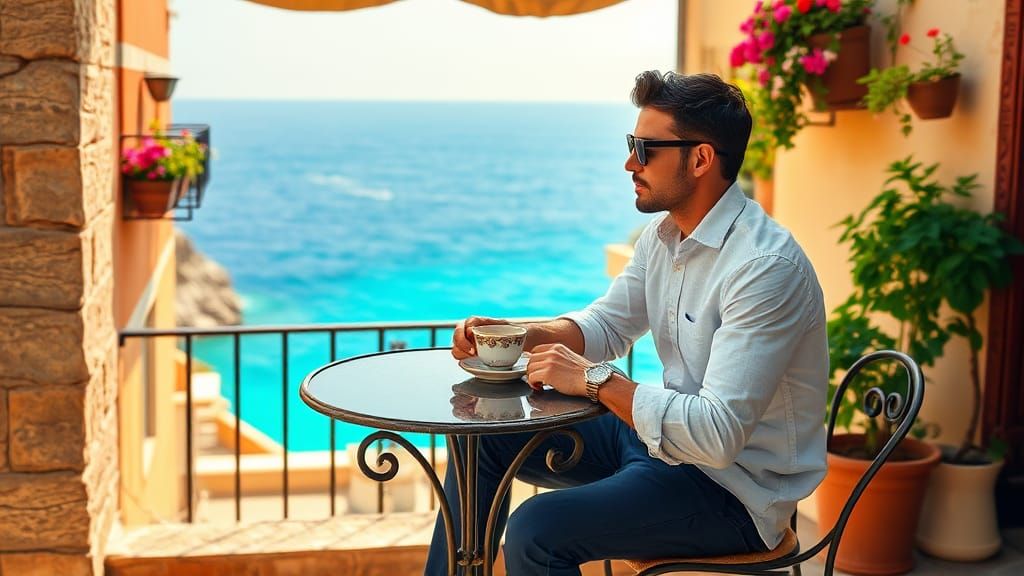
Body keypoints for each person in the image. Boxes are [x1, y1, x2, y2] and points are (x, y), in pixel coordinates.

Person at [425, 70, 828, 576]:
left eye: (645, 148)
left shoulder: (764, 268)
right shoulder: (664, 239)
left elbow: (718, 435)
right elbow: (605, 326)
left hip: (736, 492)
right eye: (630, 144)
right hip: (659, 447)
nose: (629, 163)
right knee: (480, 435)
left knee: (537, 530)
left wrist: (596, 380)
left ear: (701, 158)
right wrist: (520, 335)